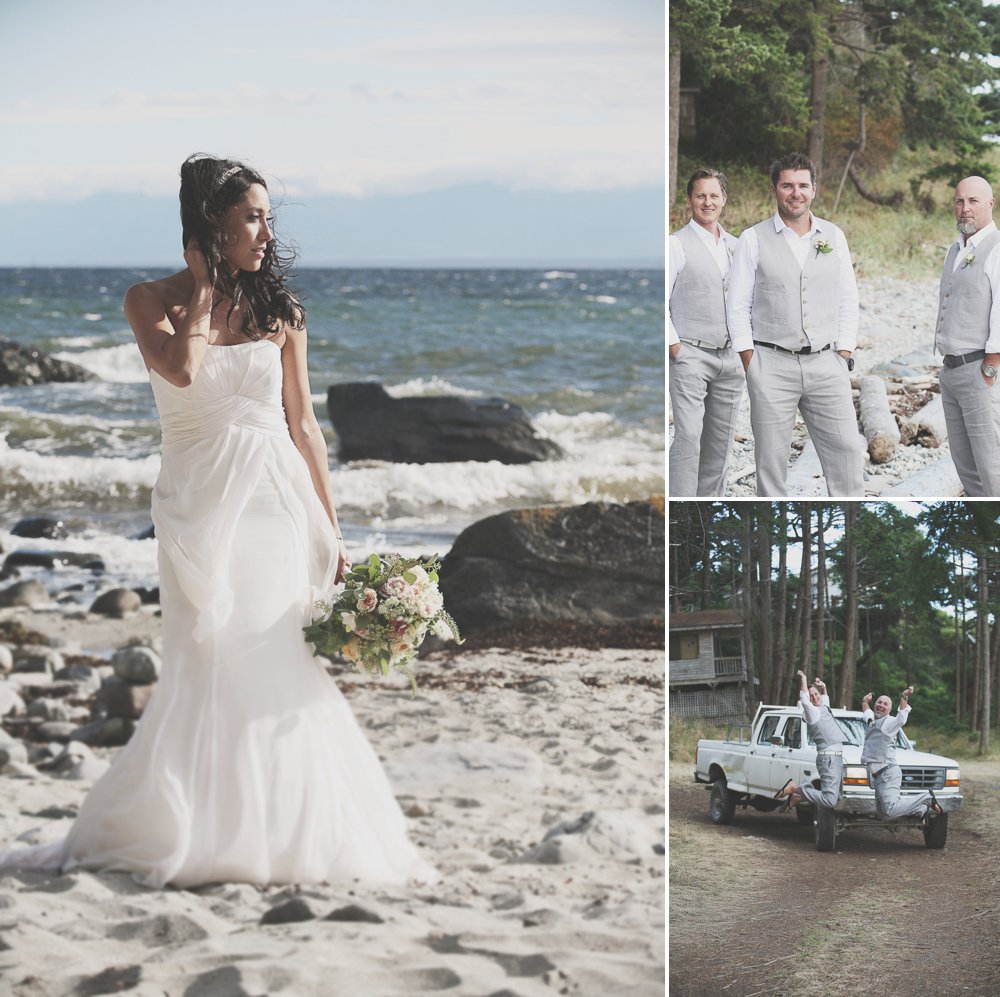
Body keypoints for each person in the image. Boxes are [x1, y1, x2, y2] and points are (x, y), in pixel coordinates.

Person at [0, 154, 438, 888]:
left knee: (275, 659)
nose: (266, 231)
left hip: (276, 502)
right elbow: (179, 370)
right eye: (252, 216)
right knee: (204, 663)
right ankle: (197, 825)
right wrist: (204, 286)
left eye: (269, 216)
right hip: (196, 508)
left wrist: (333, 532)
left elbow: (304, 426)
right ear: (212, 225)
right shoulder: (151, 300)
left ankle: (284, 829)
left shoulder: (283, 314)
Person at [727, 152, 865, 496]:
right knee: (771, 462)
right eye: (787, 185)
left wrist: (843, 351)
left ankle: (852, 523)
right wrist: (750, 361)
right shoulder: (752, 238)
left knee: (847, 451)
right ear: (774, 189)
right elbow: (738, 305)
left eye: (803, 185)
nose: (795, 192)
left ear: (814, 190)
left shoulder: (834, 236)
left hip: (826, 362)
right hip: (770, 363)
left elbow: (848, 297)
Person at [668, 168, 744, 496]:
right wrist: (675, 348)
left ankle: (706, 509)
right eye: (701, 195)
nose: (707, 202)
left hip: (731, 359)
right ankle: (679, 510)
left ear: (724, 200)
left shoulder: (738, 246)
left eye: (714, 196)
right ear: (690, 199)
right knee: (688, 436)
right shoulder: (675, 244)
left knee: (720, 442)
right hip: (691, 354)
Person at [934, 175, 1000, 496]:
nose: (965, 208)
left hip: (980, 371)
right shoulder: (955, 250)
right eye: (959, 201)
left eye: (973, 201)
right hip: (950, 372)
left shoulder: (997, 249)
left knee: (992, 466)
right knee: (965, 466)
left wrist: (990, 368)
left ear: (990, 203)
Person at [860, 687, 942, 821]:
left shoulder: (889, 723)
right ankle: (922, 809)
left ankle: (925, 797)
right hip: (878, 777)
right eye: (879, 702)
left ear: (889, 710)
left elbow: (901, 719)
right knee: (883, 814)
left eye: (885, 704)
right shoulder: (872, 721)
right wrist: (864, 700)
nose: (881, 705)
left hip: (887, 773)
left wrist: (904, 697)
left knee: (890, 811)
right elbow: (866, 711)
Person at [773, 671, 844, 814]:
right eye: (811, 696)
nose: (814, 697)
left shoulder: (823, 709)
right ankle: (795, 789)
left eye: (816, 694)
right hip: (828, 758)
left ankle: (799, 793)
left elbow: (825, 701)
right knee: (830, 800)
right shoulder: (812, 714)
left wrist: (823, 688)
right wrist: (804, 679)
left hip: (837, 758)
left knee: (837, 798)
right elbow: (805, 699)